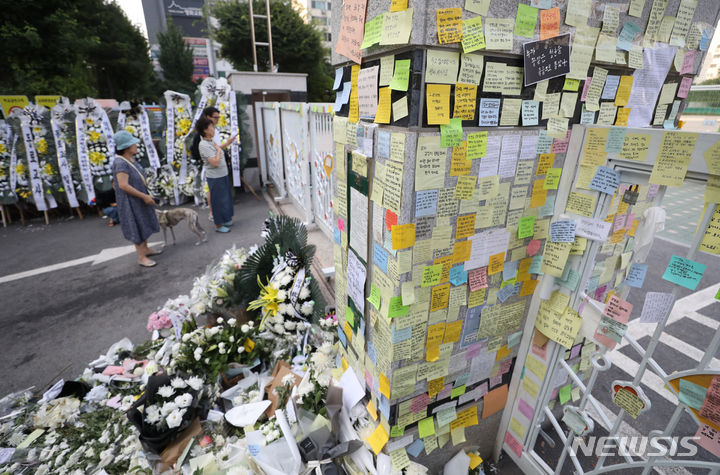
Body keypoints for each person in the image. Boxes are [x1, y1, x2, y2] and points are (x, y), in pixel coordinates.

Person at [112, 130, 161, 267]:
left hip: (138, 198)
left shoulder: (130, 159)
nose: (136, 145)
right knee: (136, 225)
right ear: (126, 147)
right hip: (130, 201)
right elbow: (123, 185)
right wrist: (144, 196)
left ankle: (145, 249)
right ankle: (141, 256)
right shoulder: (120, 163)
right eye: (133, 143)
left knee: (143, 222)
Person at [190, 107, 237, 222]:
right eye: (215, 118)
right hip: (212, 170)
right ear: (207, 117)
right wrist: (213, 156)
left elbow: (215, 149)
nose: (217, 120)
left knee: (223, 195)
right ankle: (214, 216)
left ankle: (223, 217)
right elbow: (205, 154)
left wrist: (225, 144)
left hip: (220, 169)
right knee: (214, 193)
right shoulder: (201, 139)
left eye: (218, 118)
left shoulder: (211, 135)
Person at [196, 116, 234, 233]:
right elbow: (215, 162)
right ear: (205, 130)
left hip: (222, 174)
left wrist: (226, 143)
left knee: (225, 198)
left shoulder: (210, 141)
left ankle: (226, 219)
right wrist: (218, 151)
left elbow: (217, 149)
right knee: (217, 200)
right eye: (212, 126)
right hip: (215, 176)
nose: (214, 129)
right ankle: (218, 225)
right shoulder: (203, 145)